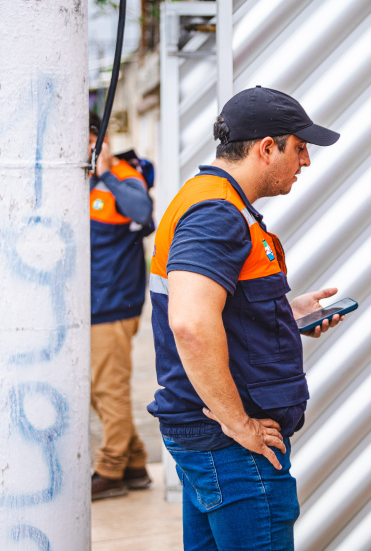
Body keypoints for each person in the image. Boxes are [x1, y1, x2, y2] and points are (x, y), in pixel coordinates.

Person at [146, 86, 342, 550]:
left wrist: (283, 315)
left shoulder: (211, 200)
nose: (306, 162)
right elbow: (191, 323)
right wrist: (239, 424)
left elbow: (217, 308)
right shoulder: (216, 213)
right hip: (231, 446)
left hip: (212, 439)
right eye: (299, 148)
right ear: (266, 148)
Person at [88, 111, 155, 500]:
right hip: (94, 305)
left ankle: (110, 470)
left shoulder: (123, 178)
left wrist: (106, 171)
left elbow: (143, 212)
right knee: (98, 390)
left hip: (113, 305)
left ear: (101, 138)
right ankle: (134, 464)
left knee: (109, 390)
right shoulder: (80, 183)